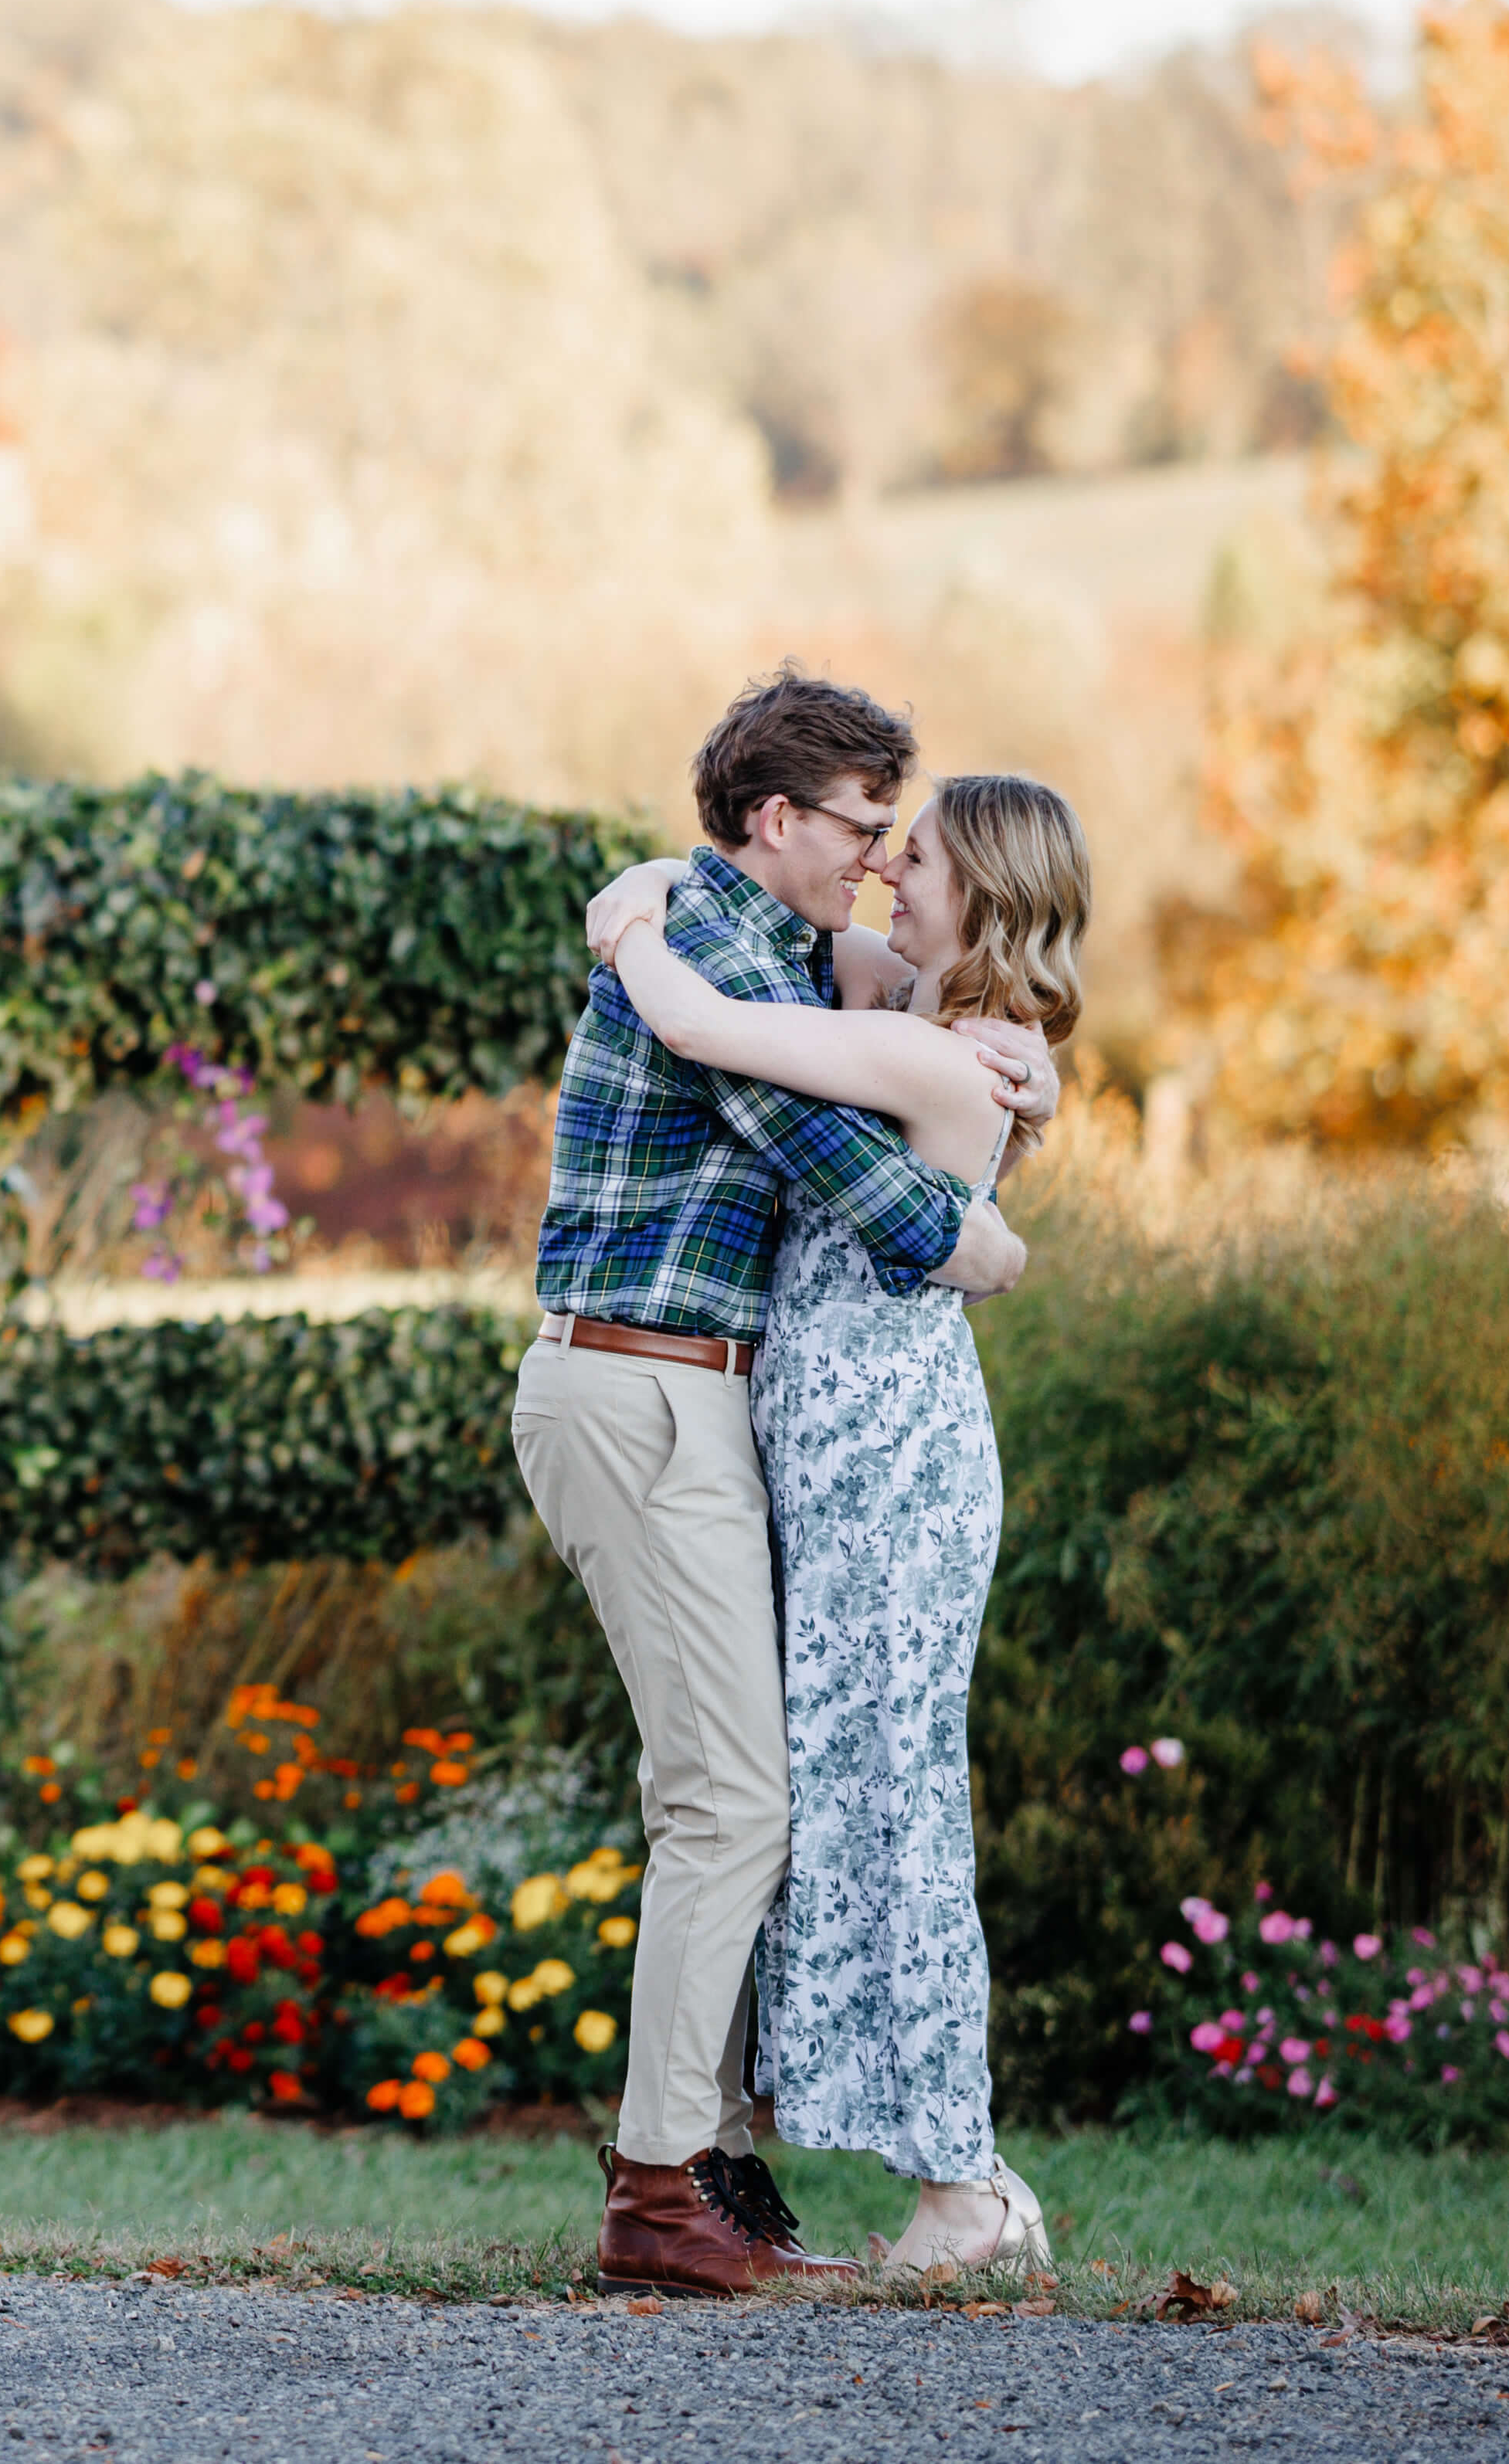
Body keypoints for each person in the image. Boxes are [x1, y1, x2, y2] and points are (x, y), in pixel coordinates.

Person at [508, 667, 1042, 2298]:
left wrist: (1007, 1051)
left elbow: (931, 995)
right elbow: (861, 1181)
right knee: (735, 1795)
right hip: (638, 1393)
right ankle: (665, 2185)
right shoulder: (719, 964)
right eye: (861, 829)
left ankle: (712, 2161)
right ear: (774, 818)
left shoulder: (756, 937)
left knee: (748, 1789)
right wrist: (984, 1235)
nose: (876, 861)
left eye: (901, 840)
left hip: (699, 1403)